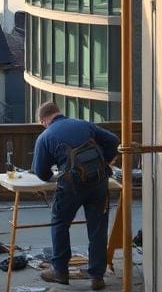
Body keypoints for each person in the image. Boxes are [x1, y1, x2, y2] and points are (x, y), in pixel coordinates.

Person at [31, 101, 120, 290]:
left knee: (60, 223)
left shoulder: (45, 136)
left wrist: (54, 176)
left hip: (71, 186)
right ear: (59, 113)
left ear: (43, 120)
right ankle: (97, 276)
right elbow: (113, 140)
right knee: (97, 228)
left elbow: (40, 172)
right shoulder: (83, 124)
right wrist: (103, 164)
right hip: (98, 182)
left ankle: (60, 271)